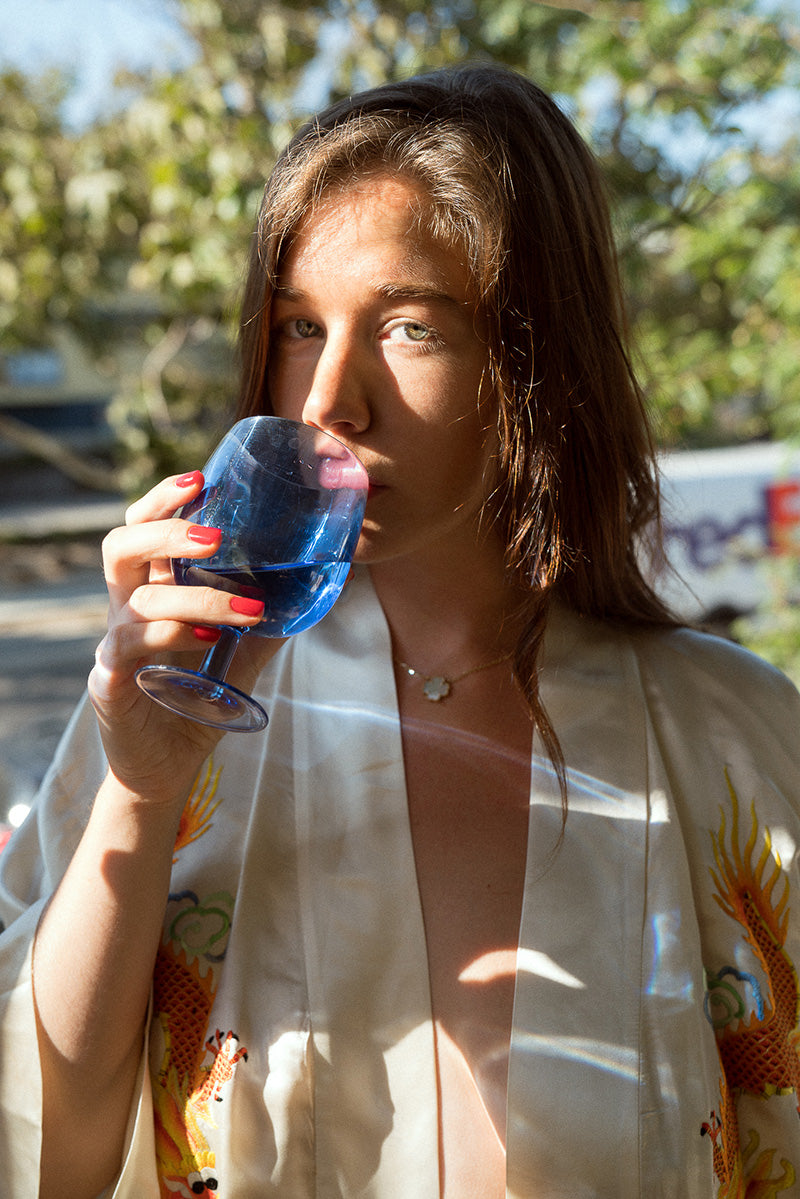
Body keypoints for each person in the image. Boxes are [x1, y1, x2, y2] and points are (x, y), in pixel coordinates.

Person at [2, 63, 800, 1199]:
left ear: (533, 359)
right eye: (296, 325)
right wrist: (139, 784)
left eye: (410, 326)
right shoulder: (170, 704)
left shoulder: (730, 737)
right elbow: (54, 1152)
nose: (328, 398)